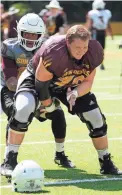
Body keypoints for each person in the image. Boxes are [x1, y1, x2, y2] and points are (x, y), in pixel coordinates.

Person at [30, 25, 120, 175]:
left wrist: (76, 94)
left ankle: (105, 161)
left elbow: (88, 82)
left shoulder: (93, 52)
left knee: (96, 120)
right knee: (28, 112)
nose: (81, 50)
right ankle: (11, 159)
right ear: (67, 43)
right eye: (77, 47)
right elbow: (41, 84)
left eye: (84, 46)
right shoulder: (54, 52)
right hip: (45, 84)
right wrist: (48, 105)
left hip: (71, 86)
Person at [0, 13, 74, 177]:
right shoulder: (9, 46)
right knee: (17, 112)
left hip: (39, 89)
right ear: (19, 32)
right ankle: (8, 159)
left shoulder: (48, 47)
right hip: (10, 89)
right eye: (27, 33)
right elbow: (12, 82)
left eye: (35, 34)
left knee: (58, 114)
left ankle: (60, 154)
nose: (31, 38)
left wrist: (43, 99)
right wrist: (36, 105)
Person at [86, 0, 113, 70]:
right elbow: (108, 24)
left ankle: (94, 63)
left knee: (94, 48)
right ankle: (101, 63)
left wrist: (86, 32)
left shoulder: (92, 13)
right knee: (101, 48)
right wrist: (111, 34)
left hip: (95, 31)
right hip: (102, 32)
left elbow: (89, 24)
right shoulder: (107, 12)